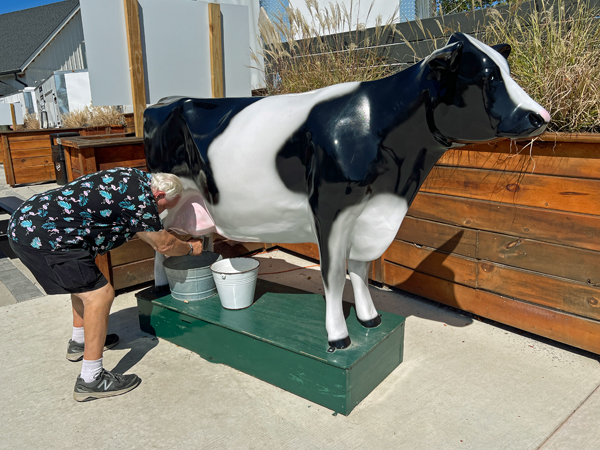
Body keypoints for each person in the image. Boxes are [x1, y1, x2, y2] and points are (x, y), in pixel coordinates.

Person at [7, 167, 203, 402]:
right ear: (159, 195)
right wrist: (191, 248)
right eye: (164, 207)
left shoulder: (135, 178)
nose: (160, 214)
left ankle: (79, 342)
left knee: (84, 287)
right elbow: (163, 245)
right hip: (46, 236)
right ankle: (91, 379)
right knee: (99, 295)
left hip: (30, 223)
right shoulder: (141, 200)